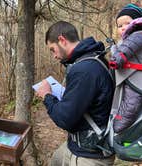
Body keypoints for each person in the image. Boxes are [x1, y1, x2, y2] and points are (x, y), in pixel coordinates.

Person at [36, 21, 115, 166]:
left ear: (62, 40)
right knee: (56, 159)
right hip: (80, 147)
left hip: (90, 156)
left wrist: (47, 95)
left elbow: (64, 119)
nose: (54, 56)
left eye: (53, 49)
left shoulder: (84, 69)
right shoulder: (92, 59)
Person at [109, 3, 142, 133]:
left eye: (127, 23)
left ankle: (118, 126)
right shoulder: (130, 39)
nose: (123, 28)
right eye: (120, 26)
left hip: (137, 80)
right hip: (132, 78)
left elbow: (126, 50)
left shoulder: (139, 34)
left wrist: (116, 59)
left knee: (130, 104)